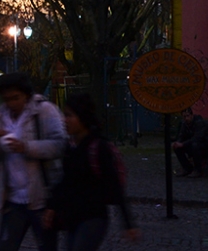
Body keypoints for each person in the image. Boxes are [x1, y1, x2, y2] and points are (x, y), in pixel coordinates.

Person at [45, 93, 140, 251]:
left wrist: (128, 224)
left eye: (69, 115)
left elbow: (115, 186)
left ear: (83, 117)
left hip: (93, 218)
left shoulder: (98, 147)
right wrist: (52, 206)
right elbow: (66, 180)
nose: (64, 120)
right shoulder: (71, 146)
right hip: (72, 218)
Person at [0, 72, 67, 251]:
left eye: (16, 98)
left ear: (27, 95)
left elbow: (61, 145)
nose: (12, 104)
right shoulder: (2, 115)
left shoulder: (44, 111)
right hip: (13, 199)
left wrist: (26, 147)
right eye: (7, 99)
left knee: (47, 246)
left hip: (41, 197)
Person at [171, 108, 208, 177]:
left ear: (192, 115)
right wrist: (177, 143)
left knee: (195, 146)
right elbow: (181, 135)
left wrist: (182, 144)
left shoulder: (199, 123)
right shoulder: (184, 124)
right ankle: (187, 168)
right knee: (177, 148)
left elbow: (198, 137)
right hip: (192, 144)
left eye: (187, 116)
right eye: (184, 116)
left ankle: (198, 170)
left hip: (206, 145)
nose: (186, 118)